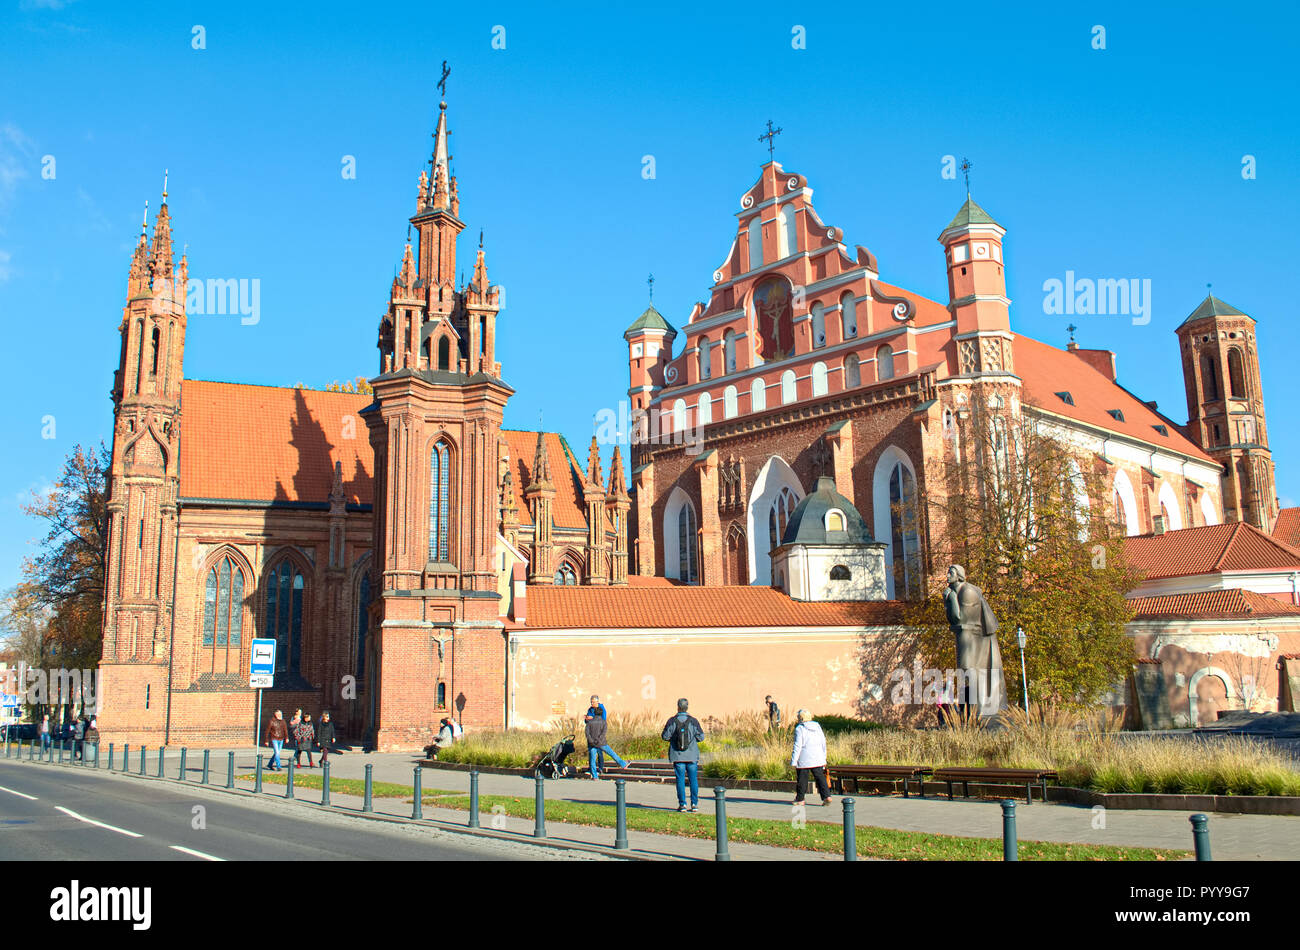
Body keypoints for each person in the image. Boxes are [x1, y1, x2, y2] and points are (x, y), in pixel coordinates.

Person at [662, 698, 704, 812]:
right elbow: (701, 737)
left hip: (677, 755)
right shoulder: (693, 721)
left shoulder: (672, 721)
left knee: (680, 780)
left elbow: (665, 736)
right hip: (692, 755)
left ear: (678, 707)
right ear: (687, 707)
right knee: (693, 780)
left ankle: (683, 804)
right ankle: (694, 804)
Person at [790, 709, 831, 807]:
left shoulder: (799, 728)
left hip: (804, 758)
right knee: (820, 777)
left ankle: (800, 799)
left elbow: (797, 745)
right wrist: (824, 757)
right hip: (817, 757)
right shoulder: (817, 727)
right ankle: (827, 796)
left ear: (801, 718)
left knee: (802, 779)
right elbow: (823, 742)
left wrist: (794, 761)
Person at [585, 710, 629, 780]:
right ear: (601, 714)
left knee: (592, 760)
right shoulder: (603, 722)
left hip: (592, 744)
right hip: (602, 743)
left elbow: (587, 734)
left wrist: (592, 741)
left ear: (594, 713)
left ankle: (595, 776)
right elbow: (603, 733)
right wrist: (598, 740)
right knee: (612, 754)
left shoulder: (589, 722)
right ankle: (623, 764)